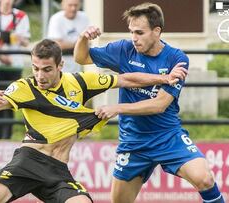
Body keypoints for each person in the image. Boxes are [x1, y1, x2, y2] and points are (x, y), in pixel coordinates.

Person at [0, 39, 187, 203]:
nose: (40, 76)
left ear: (60, 66)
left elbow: (125, 79)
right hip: (28, 161)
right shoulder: (24, 88)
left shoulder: (80, 82)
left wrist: (164, 78)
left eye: (47, 69)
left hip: (58, 169)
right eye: (36, 68)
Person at [74, 2, 225, 203]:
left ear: (157, 31)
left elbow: (159, 105)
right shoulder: (123, 50)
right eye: (131, 32)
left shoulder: (176, 58)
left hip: (167, 137)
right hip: (133, 142)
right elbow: (81, 57)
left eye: (139, 32)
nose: (134, 38)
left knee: (204, 178)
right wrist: (83, 38)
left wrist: (117, 108)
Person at [0, 0, 31, 139]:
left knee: (10, 99)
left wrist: (17, 38)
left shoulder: (21, 16)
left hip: (15, 64)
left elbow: (27, 41)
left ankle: (7, 136)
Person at [47, 0, 89, 73]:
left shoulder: (84, 17)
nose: (73, 8)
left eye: (76, 5)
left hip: (77, 60)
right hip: (60, 59)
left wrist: (70, 44)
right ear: (63, 5)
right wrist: (79, 43)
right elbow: (57, 44)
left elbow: (89, 41)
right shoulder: (56, 19)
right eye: (70, 5)